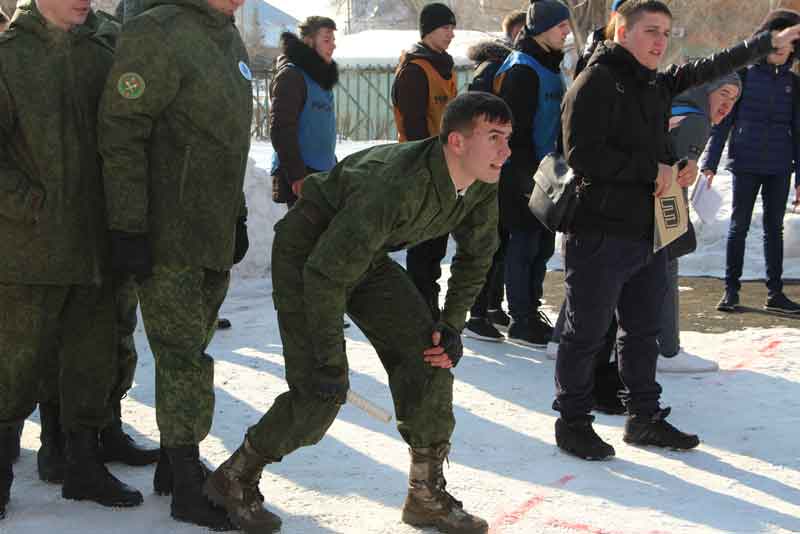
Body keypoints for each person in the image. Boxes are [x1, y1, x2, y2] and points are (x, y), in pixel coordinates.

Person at [204, 92, 511, 534]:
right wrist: (329, 361)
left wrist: (451, 324)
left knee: (430, 356)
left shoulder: (483, 178)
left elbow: (477, 255)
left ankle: (425, 495)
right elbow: (326, 274)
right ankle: (234, 478)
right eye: (494, 137)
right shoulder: (394, 184)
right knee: (319, 390)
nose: (506, 150)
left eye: (508, 138)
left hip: (364, 254)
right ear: (457, 142)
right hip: (309, 252)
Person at [555, 0, 800, 460]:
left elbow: (709, 67)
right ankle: (572, 422)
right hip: (599, 229)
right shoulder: (596, 81)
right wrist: (652, 170)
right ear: (621, 31)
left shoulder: (652, 83)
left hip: (646, 231)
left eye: (666, 33)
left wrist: (765, 43)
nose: (660, 41)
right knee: (586, 333)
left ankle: (644, 417)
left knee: (643, 330)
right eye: (651, 31)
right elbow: (582, 155)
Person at [98, 0, 253, 528]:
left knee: (196, 345)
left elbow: (228, 143)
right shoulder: (156, 31)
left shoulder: (227, 38)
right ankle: (188, 484)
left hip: (210, 231)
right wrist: (128, 225)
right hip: (167, 232)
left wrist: (237, 215)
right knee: (183, 355)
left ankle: (173, 460)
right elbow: (121, 130)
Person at [0, 0, 145, 519]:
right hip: (29, 248)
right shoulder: (9, 57)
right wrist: (31, 205)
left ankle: (81, 465)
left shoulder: (103, 52)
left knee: (91, 359)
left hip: (95, 245)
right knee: (15, 365)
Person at [702, 9, 800, 316]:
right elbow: (722, 124)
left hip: (781, 165)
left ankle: (775, 293)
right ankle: (731, 290)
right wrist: (709, 163)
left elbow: (798, 132)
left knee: (775, 229)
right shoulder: (742, 76)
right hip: (745, 161)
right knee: (738, 227)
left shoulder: (794, 85)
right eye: (777, 43)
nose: (783, 51)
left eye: (789, 46)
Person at [492, 0, 571, 347]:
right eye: (560, 26)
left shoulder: (550, 65)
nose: (567, 32)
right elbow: (514, 132)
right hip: (523, 174)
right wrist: (527, 181)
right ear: (540, 30)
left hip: (549, 170)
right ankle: (521, 319)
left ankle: (531, 310)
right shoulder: (523, 69)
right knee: (522, 245)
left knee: (541, 246)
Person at [655, 73, 742, 374]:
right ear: (707, 90)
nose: (727, 105)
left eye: (734, 100)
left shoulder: (673, 106)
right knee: (665, 270)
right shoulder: (696, 120)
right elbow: (673, 182)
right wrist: (675, 227)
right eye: (724, 95)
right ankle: (667, 350)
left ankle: (563, 339)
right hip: (658, 211)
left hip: (634, 209)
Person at [461, 12, 526, 341]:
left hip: (499, 167)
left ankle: (490, 305)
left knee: (499, 242)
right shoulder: (493, 71)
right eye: (520, 31)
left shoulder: (508, 68)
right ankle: (475, 313)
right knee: (485, 241)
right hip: (487, 170)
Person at [391, 2, 457, 319]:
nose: (451, 34)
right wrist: (429, 165)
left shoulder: (445, 67)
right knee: (423, 247)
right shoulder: (415, 71)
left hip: (446, 166)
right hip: (422, 167)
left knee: (436, 246)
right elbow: (415, 127)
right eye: (445, 27)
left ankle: (428, 306)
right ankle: (418, 309)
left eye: (452, 27)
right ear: (428, 30)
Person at [270, 16, 338, 207]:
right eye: (326, 40)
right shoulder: (292, 76)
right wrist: (296, 175)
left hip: (321, 173)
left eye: (333, 40)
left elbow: (320, 127)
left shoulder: (320, 79)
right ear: (308, 41)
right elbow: (281, 129)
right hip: (301, 176)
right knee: (302, 235)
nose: (332, 45)